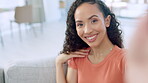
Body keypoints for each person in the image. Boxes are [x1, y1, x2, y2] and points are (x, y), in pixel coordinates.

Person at [56, 0, 125, 83]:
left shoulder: (125, 59)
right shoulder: (77, 58)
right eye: (80, 24)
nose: (87, 31)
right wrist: (58, 63)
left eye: (94, 21)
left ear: (107, 21)